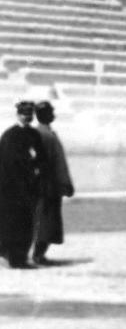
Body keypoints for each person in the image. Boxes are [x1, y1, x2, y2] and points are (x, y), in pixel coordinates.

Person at [0, 102, 45, 268]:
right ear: (18, 114)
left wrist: (37, 169)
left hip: (29, 187)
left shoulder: (34, 134)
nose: (27, 117)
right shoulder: (9, 136)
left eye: (30, 114)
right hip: (11, 189)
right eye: (24, 114)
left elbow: (42, 158)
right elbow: (7, 162)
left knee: (27, 223)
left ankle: (20, 256)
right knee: (12, 223)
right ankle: (14, 258)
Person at [32, 102, 74, 265]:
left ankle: (36, 253)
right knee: (47, 221)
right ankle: (38, 255)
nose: (54, 114)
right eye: (51, 112)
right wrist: (66, 183)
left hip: (39, 185)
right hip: (49, 186)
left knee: (40, 219)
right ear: (46, 115)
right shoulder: (47, 135)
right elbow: (58, 163)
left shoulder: (37, 133)